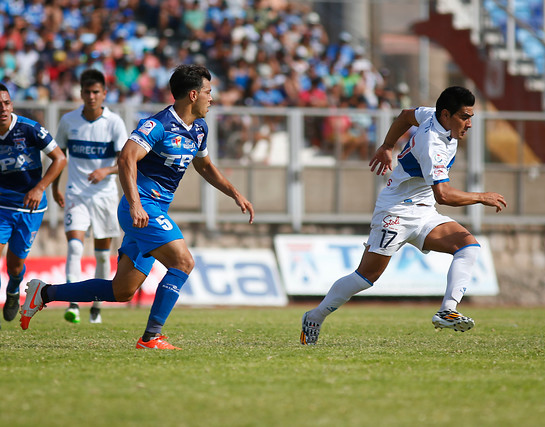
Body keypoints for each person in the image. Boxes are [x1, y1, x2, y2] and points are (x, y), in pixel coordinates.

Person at [21, 64, 255, 349]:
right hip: (142, 208)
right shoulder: (158, 125)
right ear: (193, 95)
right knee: (183, 262)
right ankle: (151, 336)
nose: (212, 98)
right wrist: (135, 204)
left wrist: (235, 193)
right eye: (208, 92)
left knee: (121, 291)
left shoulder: (199, 128)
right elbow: (126, 159)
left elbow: (205, 166)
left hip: (152, 211)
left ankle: (44, 293)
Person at [300, 86, 507, 345]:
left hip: (423, 212)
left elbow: (405, 115)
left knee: (468, 246)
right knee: (366, 277)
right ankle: (315, 316)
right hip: (395, 211)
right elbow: (443, 195)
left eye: (471, 117)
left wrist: (387, 145)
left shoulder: (431, 115)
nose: (469, 124)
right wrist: (480, 196)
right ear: (446, 115)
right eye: (465, 117)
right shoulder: (433, 144)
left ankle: (447, 310)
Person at [52, 69, 129, 325]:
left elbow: (125, 162)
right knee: (74, 246)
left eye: (96, 92)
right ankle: (73, 303)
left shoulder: (114, 123)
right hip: (76, 194)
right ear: (81, 93)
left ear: (104, 94)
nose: (91, 96)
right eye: (87, 92)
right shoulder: (68, 121)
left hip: (105, 196)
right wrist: (54, 188)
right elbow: (58, 157)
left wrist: (106, 170)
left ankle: (96, 307)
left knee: (102, 255)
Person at [0, 83, 67, 329]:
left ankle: (14, 289)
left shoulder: (29, 129)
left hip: (30, 208)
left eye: (6, 103)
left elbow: (60, 158)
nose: (3, 109)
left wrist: (39, 188)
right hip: (2, 206)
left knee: (15, 264)